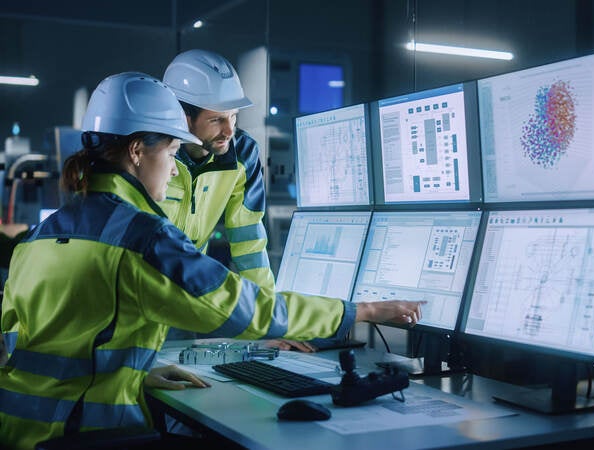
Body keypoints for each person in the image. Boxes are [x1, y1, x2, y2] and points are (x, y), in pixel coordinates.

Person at [0, 72, 422, 450]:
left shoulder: (42, 234)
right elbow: (239, 306)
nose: (172, 169)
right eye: (169, 153)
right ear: (136, 152)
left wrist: (135, 374)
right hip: (88, 432)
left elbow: (32, 343)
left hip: (20, 431)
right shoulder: (141, 238)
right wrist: (358, 311)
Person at [161, 49, 313, 351]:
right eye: (217, 119)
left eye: (234, 116)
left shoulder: (242, 153)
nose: (229, 130)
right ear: (182, 116)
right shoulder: (153, 153)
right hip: (135, 295)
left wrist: (267, 323)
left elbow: (249, 242)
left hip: (183, 299)